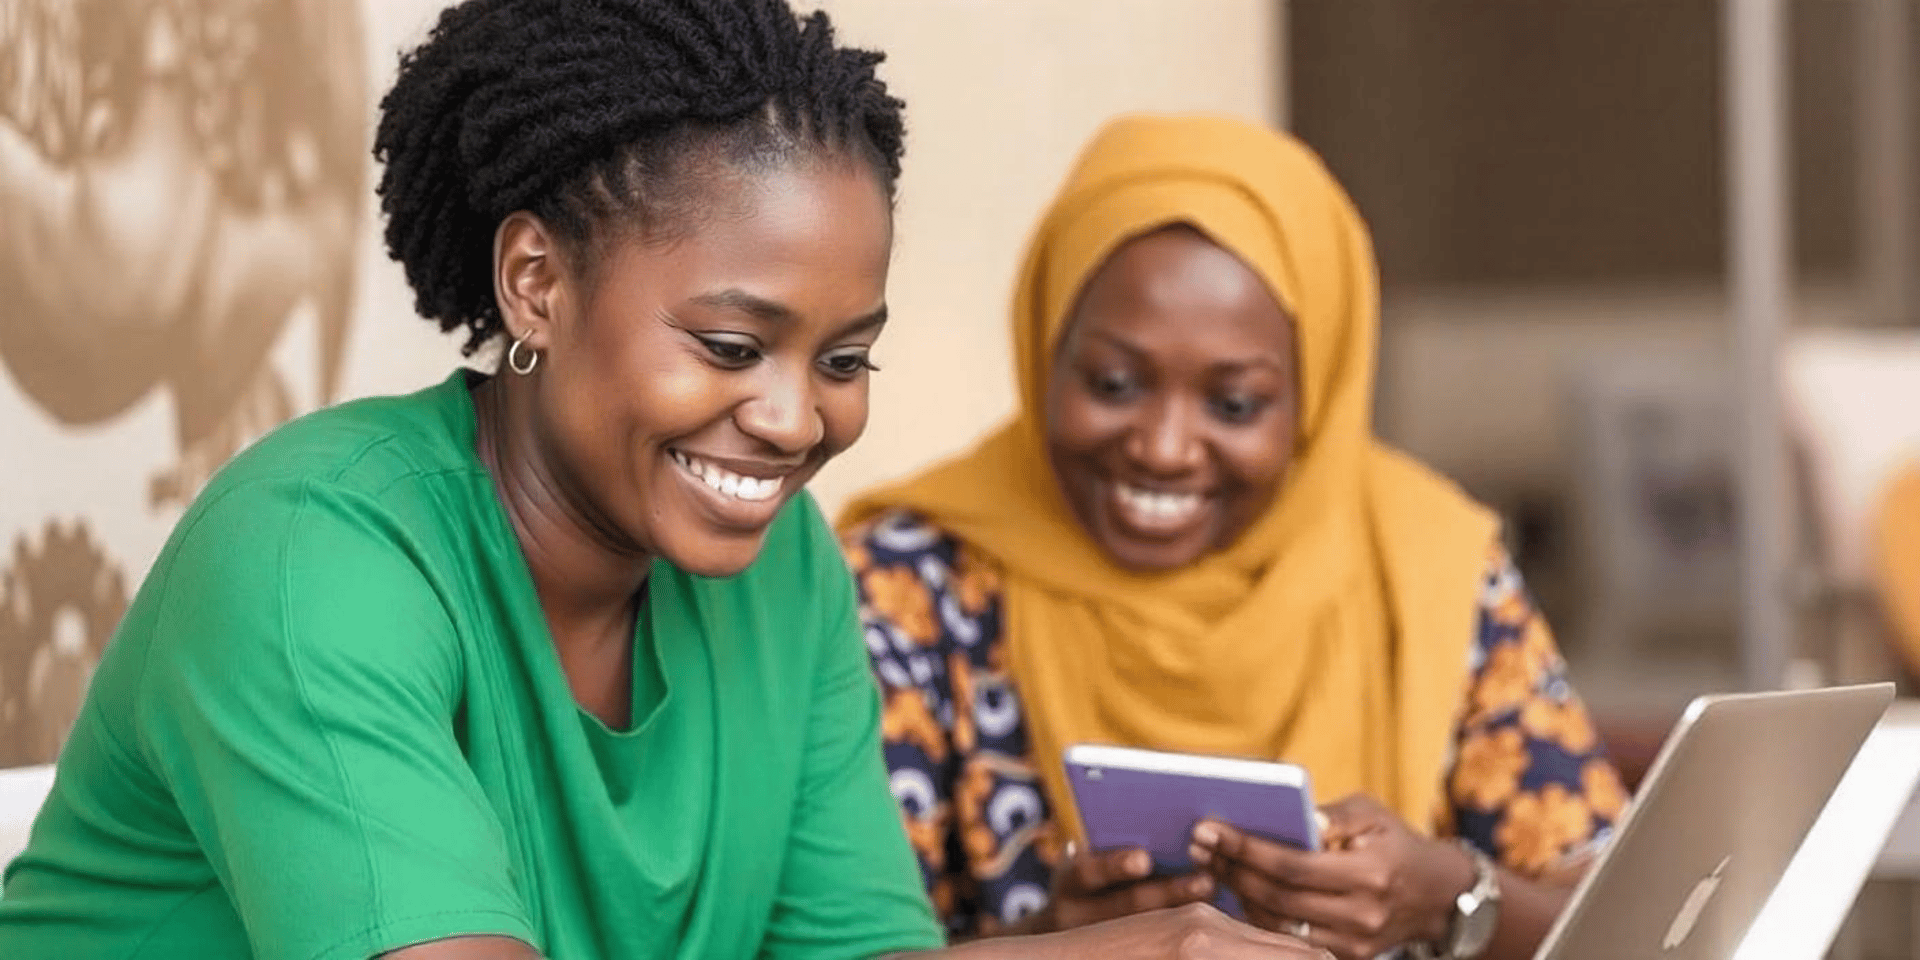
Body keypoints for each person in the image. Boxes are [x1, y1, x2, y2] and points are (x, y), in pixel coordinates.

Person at [0, 7, 1324, 960]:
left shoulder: (785, 569)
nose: (798, 418)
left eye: (846, 356)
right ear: (537, 282)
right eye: (732, 348)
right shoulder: (312, 561)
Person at [840, 114, 1629, 960]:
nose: (1164, 448)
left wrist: (1451, 898)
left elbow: (1645, 922)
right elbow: (837, 941)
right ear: (1044, 350)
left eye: (1235, 404)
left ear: (1313, 397)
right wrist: (1056, 946)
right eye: (1113, 382)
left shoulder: (1431, 568)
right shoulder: (909, 585)